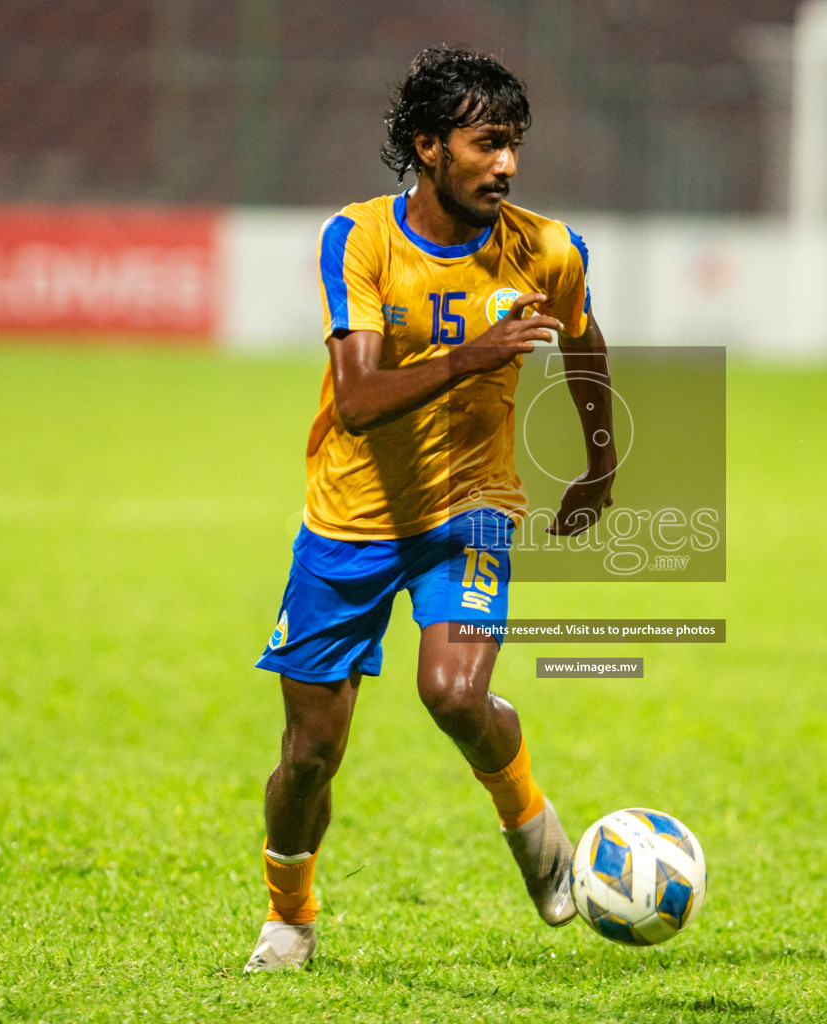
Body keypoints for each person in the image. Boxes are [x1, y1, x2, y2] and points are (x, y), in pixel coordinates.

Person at [243, 46, 616, 973]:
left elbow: (586, 341)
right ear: (429, 145)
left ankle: (535, 831)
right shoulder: (359, 239)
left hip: (475, 508)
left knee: (452, 692)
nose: (508, 165)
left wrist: (600, 466)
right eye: (489, 143)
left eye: (517, 145)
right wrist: (478, 354)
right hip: (350, 522)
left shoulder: (546, 248)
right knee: (309, 757)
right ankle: (290, 917)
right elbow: (360, 401)